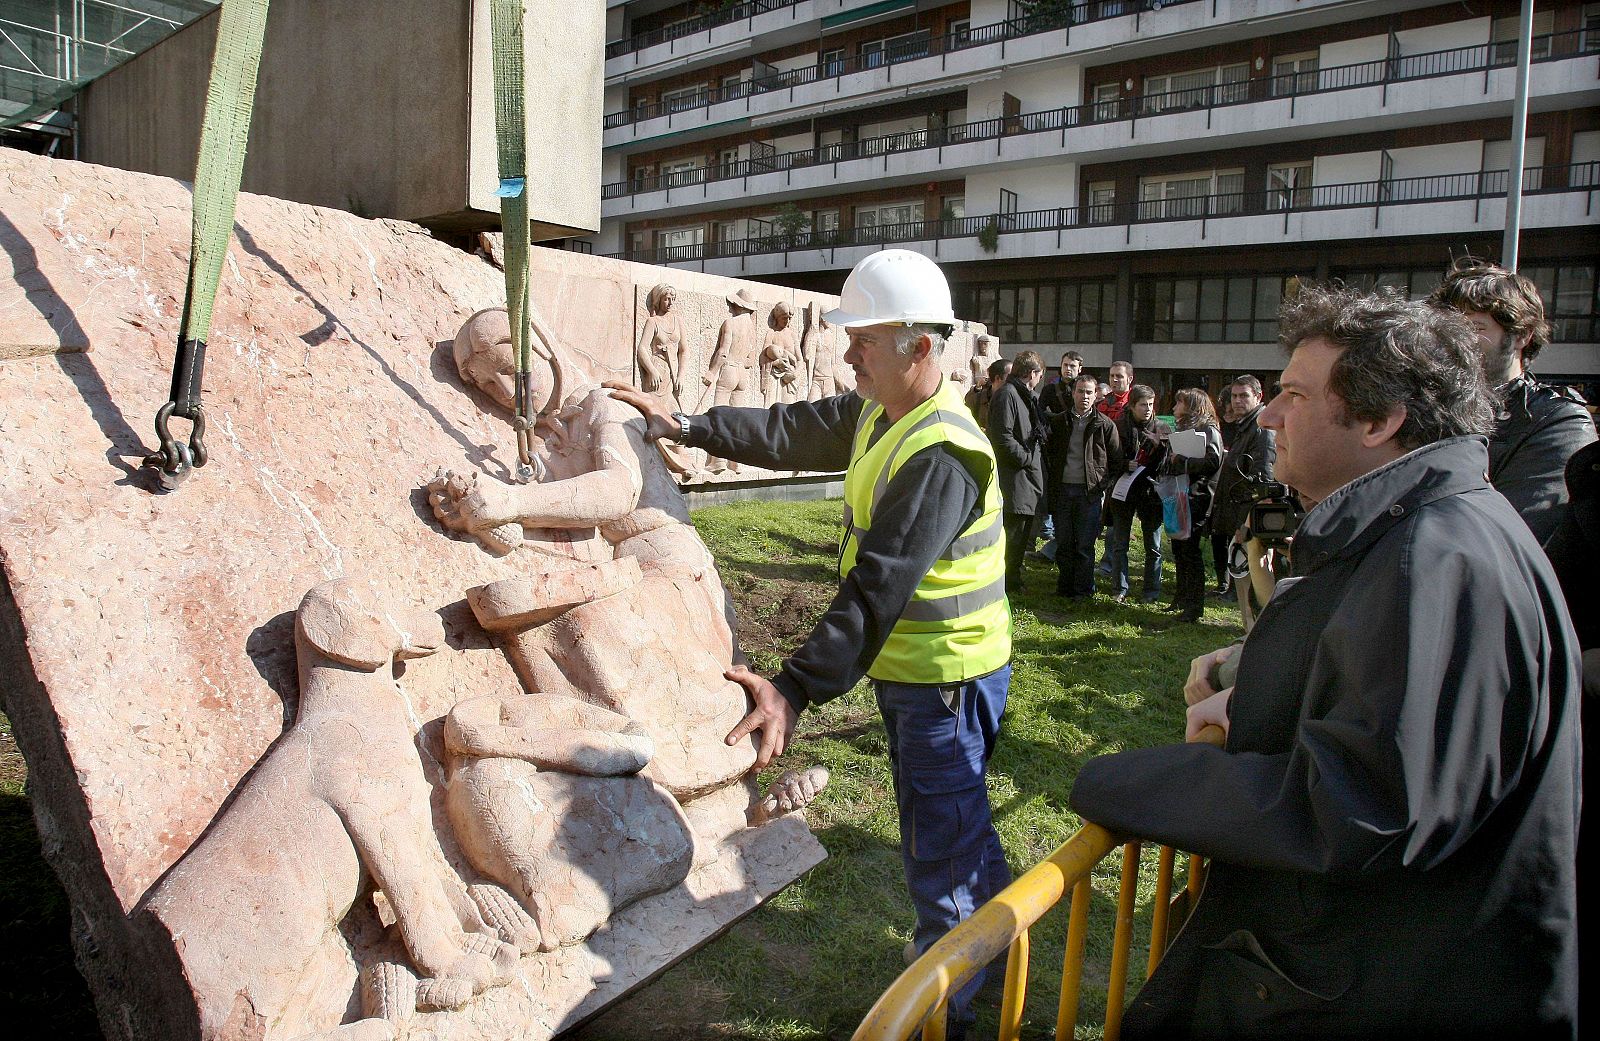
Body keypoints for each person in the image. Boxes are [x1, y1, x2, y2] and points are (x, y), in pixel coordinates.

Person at [1070, 285, 1579, 1040]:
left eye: (1294, 395)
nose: (1269, 415)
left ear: (1379, 419)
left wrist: (1122, 781)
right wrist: (1262, 695)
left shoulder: (1435, 558)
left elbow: (1364, 807)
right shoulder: (1428, 525)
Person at [607, 249, 1012, 1036]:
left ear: (920, 348)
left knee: (944, 854)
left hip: (946, 683)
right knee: (958, 832)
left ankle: (946, 1016)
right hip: (922, 677)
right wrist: (687, 421)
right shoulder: (880, 411)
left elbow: (877, 589)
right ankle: (989, 958)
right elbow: (791, 428)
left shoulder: (941, 452)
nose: (846, 351)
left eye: (864, 338)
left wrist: (790, 689)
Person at [1428, 258, 1596, 543]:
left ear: (1522, 335)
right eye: (1448, 329)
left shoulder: (1555, 420)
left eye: (1475, 328)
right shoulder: (1423, 404)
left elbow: (1509, 539)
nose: (1457, 341)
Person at [1045, 372, 1122, 598]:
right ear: (1073, 393)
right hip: (1063, 490)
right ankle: (1065, 587)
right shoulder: (1059, 422)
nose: (1085, 396)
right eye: (1081, 391)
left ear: (1096, 395)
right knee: (1064, 542)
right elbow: (1049, 455)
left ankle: (1084, 590)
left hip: (1089, 493)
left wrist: (1101, 486)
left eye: (1089, 392)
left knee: (1085, 546)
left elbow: (1115, 460)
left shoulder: (1104, 425)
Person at [987, 350, 1047, 592]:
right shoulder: (1008, 395)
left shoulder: (1024, 395)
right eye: (1040, 375)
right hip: (1014, 478)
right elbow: (1002, 438)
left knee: (1021, 534)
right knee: (1011, 536)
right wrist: (1026, 458)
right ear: (1032, 373)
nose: (1039, 381)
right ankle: (1005, 583)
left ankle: (1012, 579)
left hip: (1025, 478)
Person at [1162, 388, 1224, 622]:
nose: (1174, 408)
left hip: (1198, 497)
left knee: (1190, 551)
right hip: (1180, 494)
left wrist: (1183, 460)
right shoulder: (1184, 429)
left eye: (1179, 403)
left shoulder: (1209, 430)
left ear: (1192, 406)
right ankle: (1181, 597)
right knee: (1178, 547)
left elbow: (1213, 461)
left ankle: (1193, 607)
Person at [1210, 375, 1275, 595]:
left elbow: (1262, 479)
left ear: (1258, 397)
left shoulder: (1262, 429)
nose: (1237, 401)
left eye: (1244, 396)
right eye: (1234, 396)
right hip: (1235, 510)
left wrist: (1244, 523)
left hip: (1249, 516)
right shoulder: (1246, 426)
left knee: (1253, 582)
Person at [1107, 385, 1171, 603]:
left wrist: (1161, 449)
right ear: (1132, 405)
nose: (1147, 409)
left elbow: (1169, 465)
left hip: (1151, 493)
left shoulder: (1162, 428)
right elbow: (1108, 459)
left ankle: (1151, 591)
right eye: (1143, 404)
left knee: (1153, 546)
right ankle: (1119, 589)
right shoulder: (1118, 427)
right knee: (1120, 544)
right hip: (1124, 491)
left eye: (1151, 405)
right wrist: (1125, 463)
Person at [964, 357, 1011, 427]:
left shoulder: (1015, 399)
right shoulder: (978, 399)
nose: (1014, 380)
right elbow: (965, 422)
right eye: (1010, 376)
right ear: (997, 378)